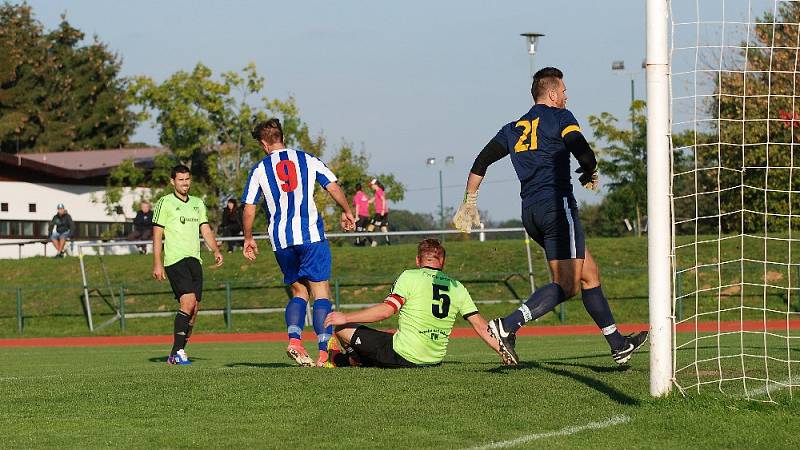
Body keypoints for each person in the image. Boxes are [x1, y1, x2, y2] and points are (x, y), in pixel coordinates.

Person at [453, 67, 647, 365]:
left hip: (531, 212)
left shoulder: (512, 128)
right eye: (564, 91)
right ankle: (507, 325)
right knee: (567, 285)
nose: (567, 96)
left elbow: (481, 162)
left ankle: (618, 344)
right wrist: (589, 168)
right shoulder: (560, 117)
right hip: (557, 208)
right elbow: (582, 149)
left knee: (589, 273)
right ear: (553, 94)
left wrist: (470, 202)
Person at [241, 118, 356, 367]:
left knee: (298, 291)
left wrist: (248, 238)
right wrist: (347, 210)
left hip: (282, 240)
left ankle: (295, 340)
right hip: (311, 235)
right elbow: (332, 186)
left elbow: (249, 208)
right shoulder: (307, 159)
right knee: (320, 291)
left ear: (264, 143)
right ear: (282, 137)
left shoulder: (260, 168)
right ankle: (324, 352)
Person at [323, 239, 502, 368]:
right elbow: (480, 324)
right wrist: (504, 352)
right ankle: (350, 360)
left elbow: (386, 311)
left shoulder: (410, 276)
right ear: (443, 262)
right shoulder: (458, 287)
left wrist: (345, 316)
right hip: (434, 360)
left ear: (418, 260)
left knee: (341, 327)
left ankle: (351, 360)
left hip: (403, 355)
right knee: (388, 337)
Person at [152, 164, 224, 365]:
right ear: (172, 181)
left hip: (194, 260)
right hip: (175, 260)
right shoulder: (164, 203)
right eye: (181, 179)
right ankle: (176, 352)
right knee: (188, 302)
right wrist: (157, 263)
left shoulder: (197, 203)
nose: (185, 183)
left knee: (194, 310)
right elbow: (157, 235)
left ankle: (179, 351)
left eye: (187, 179)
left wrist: (216, 250)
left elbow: (206, 229)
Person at [366, 178, 389, 246]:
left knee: (370, 228)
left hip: (380, 212)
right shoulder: (378, 191)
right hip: (384, 212)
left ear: (375, 185)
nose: (371, 187)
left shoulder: (378, 191)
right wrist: (365, 202)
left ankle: (373, 242)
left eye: (372, 185)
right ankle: (388, 242)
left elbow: (383, 200)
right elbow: (371, 200)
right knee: (383, 227)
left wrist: (382, 210)